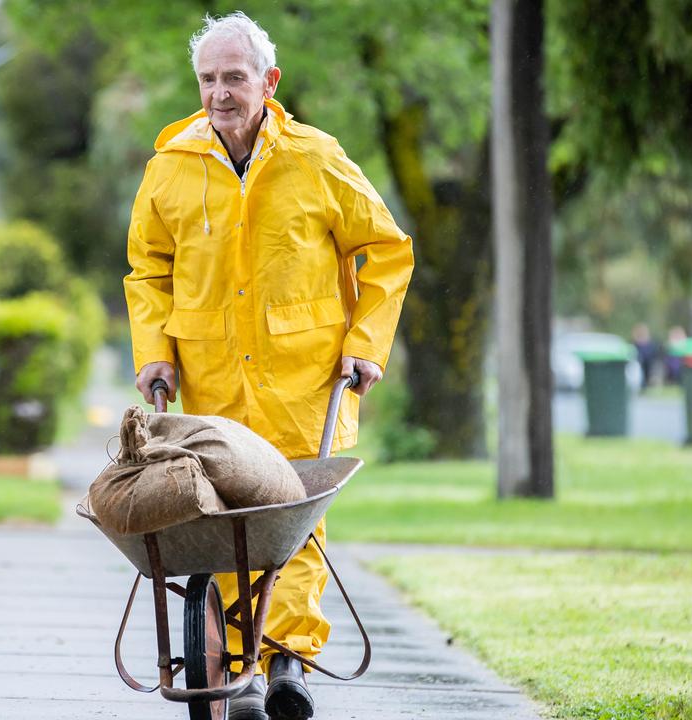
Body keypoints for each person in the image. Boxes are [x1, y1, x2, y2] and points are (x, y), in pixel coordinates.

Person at [123, 12, 414, 720]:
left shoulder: (316, 159)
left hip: (308, 379)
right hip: (213, 382)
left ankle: (286, 658)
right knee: (221, 518)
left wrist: (365, 345)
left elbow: (387, 250)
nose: (220, 92)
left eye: (234, 77)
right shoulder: (170, 168)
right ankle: (242, 661)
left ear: (268, 81)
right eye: (208, 79)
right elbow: (147, 270)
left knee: (294, 521)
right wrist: (156, 353)